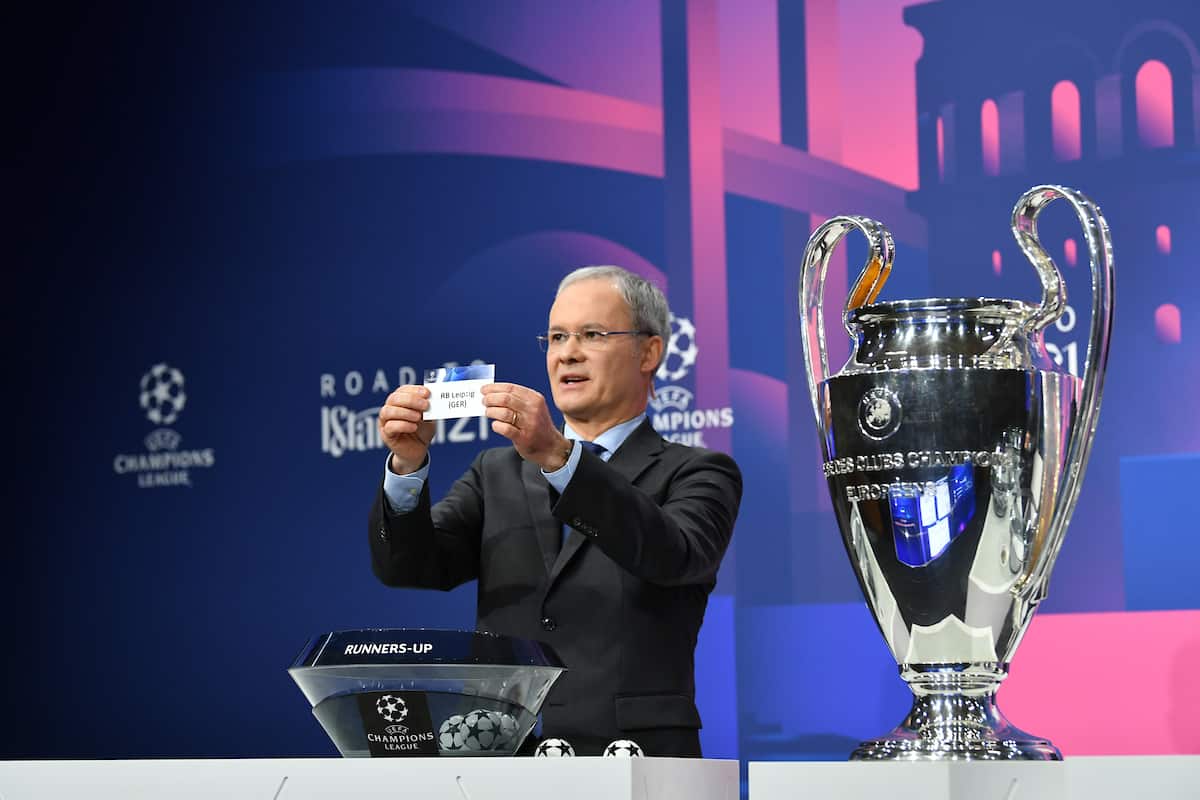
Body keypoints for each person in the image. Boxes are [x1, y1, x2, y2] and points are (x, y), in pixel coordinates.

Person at [370, 265, 742, 756]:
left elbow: (672, 556)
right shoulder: (494, 472)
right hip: (504, 753)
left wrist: (560, 458)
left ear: (649, 352)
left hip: (635, 758)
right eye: (556, 337)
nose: (567, 352)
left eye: (592, 334)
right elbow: (410, 567)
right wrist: (407, 466)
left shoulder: (699, 472)